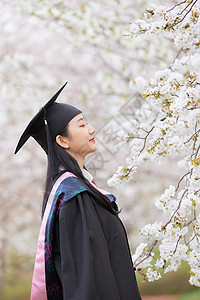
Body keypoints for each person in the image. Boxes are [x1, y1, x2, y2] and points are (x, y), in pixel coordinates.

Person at [15, 82, 141, 300]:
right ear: (62, 140)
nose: (92, 129)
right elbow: (86, 278)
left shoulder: (76, 190)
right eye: (82, 126)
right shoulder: (75, 196)